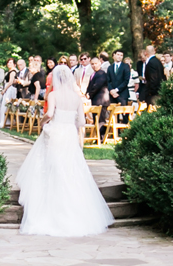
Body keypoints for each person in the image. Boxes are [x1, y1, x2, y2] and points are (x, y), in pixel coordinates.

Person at [16, 56, 114, 237]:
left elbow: (50, 113)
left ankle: (51, 206)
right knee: (71, 168)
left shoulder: (53, 95)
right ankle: (76, 209)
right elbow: (82, 121)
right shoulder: (77, 98)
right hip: (69, 133)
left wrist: (42, 121)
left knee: (52, 166)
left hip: (55, 132)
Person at [138, 42, 166, 106]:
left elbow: (153, 79)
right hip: (160, 90)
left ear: (145, 53)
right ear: (154, 51)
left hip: (153, 93)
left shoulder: (151, 63)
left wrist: (151, 92)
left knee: (152, 109)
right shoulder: (158, 61)